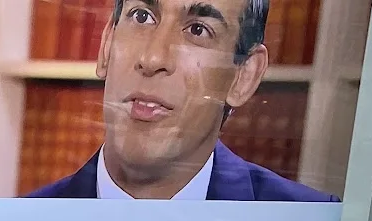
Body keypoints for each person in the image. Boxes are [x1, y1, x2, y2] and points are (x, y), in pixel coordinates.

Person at [25, 0, 334, 201]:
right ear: (106, 45)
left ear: (244, 76)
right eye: (142, 16)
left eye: (198, 30)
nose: (153, 58)